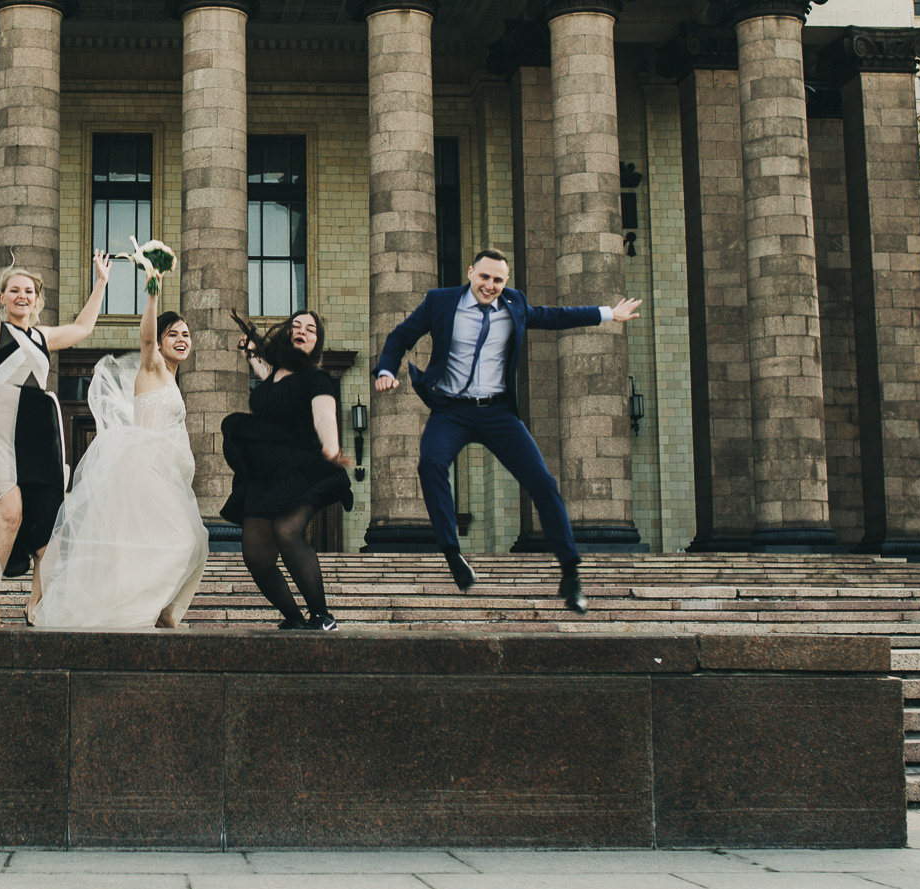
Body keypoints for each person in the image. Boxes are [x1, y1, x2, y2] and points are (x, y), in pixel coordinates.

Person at [373, 248, 641, 609]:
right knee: (430, 464)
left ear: (506, 282)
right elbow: (400, 336)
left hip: (498, 413)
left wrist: (609, 314)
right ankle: (453, 554)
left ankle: (571, 573)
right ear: (470, 272)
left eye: (498, 280)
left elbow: (554, 317)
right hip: (451, 410)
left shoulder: (514, 304)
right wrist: (386, 370)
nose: (490, 286)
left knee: (543, 483)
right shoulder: (440, 302)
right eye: (484, 277)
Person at [0, 187, 112, 627]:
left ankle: (36, 604)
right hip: (0, 429)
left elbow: (82, 327)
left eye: (29, 292)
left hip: (40, 430)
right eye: (13, 290)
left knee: (49, 532)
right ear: (3, 299)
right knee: (11, 512)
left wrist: (101, 284)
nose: (21, 296)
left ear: (37, 301)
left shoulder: (42, 337)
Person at [33, 252, 209, 631]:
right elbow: (146, 335)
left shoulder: (175, 379)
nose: (181, 340)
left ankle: (159, 609)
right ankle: (147, 610)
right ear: (160, 344)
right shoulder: (153, 365)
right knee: (184, 538)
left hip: (165, 472)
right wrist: (152, 289)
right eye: (173, 335)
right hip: (143, 464)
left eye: (186, 335)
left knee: (191, 539)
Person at [221, 310, 354, 631]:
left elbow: (324, 415)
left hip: (302, 468)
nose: (302, 331)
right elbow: (268, 378)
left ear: (316, 342)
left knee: (287, 532)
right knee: (255, 555)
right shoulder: (273, 377)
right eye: (296, 326)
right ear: (287, 334)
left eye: (310, 329)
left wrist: (332, 447)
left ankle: (322, 616)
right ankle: (294, 618)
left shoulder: (316, 379)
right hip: (267, 473)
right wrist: (250, 352)